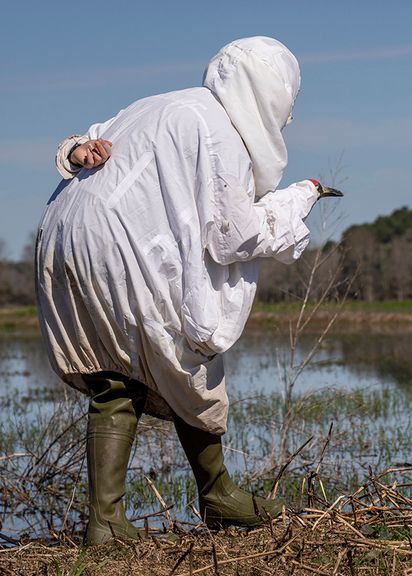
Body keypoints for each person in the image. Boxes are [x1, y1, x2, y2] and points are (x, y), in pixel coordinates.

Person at [36, 36, 341, 545]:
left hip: (63, 237)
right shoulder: (219, 129)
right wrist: (295, 204)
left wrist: (72, 149)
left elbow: (82, 145)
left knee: (117, 376)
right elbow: (234, 235)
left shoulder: (162, 104)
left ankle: (106, 520)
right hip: (121, 244)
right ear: (271, 95)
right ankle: (217, 495)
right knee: (188, 348)